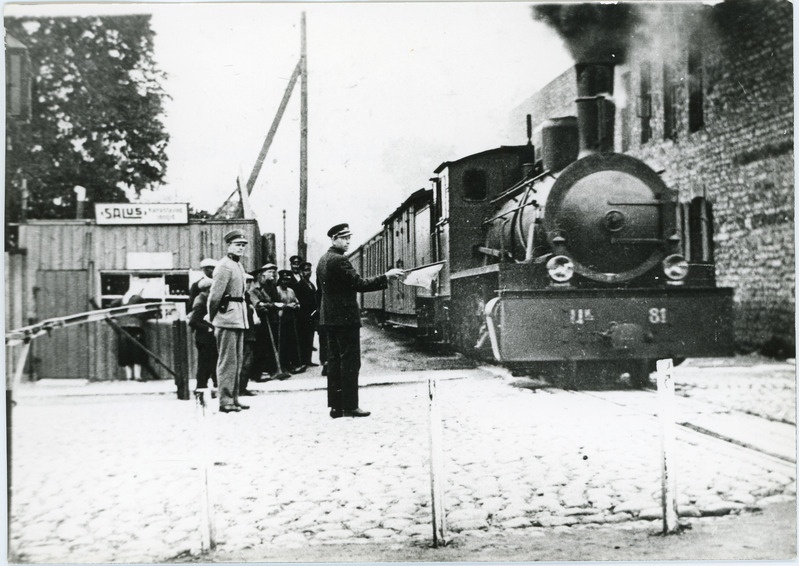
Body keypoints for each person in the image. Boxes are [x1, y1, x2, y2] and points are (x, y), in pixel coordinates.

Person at [316, 223, 404, 418]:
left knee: (334, 362)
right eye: (343, 237)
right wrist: (385, 277)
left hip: (329, 319)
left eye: (349, 237)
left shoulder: (323, 260)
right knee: (349, 362)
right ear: (333, 239)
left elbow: (320, 292)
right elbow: (359, 284)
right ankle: (350, 406)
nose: (347, 241)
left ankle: (336, 407)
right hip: (345, 319)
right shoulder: (340, 260)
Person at [207, 230, 251, 413]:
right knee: (227, 362)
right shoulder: (224, 266)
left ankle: (234, 398)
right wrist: (213, 318)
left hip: (238, 317)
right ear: (229, 246)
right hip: (227, 318)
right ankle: (225, 400)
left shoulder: (237, 266)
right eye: (237, 245)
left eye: (243, 245)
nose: (240, 248)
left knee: (237, 361)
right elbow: (215, 296)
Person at [249, 262, 280, 379]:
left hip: (264, 321)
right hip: (258, 322)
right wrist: (269, 305)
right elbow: (259, 305)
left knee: (264, 347)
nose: (263, 279)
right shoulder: (253, 290)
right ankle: (256, 374)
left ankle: (263, 371)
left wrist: (268, 305)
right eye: (262, 277)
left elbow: (268, 301)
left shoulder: (261, 289)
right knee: (258, 348)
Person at [188, 277, 218, 395]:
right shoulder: (201, 301)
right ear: (208, 289)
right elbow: (193, 321)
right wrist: (208, 328)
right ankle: (200, 387)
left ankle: (203, 387)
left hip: (206, 338)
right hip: (204, 338)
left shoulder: (203, 299)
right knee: (205, 364)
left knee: (209, 363)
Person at [113, 286, 149, 381]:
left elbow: (112, 305)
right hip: (136, 327)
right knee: (138, 352)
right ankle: (138, 376)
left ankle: (129, 376)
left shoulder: (122, 300)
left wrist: (119, 316)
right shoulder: (137, 298)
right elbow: (148, 309)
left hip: (123, 328)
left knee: (125, 353)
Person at [276, 269, 304, 374]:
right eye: (283, 279)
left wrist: (296, 306)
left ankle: (291, 365)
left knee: (291, 342)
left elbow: (297, 302)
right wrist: (287, 306)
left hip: (291, 319)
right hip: (280, 320)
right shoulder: (277, 290)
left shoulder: (291, 291)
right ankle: (282, 366)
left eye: (287, 280)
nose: (285, 282)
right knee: (282, 343)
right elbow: (276, 304)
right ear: (280, 280)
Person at [295, 261, 319, 367]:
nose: (308, 272)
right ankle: (302, 361)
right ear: (300, 272)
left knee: (310, 337)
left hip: (311, 315)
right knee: (303, 338)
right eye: (306, 270)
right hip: (303, 316)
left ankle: (308, 360)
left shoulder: (311, 285)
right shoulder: (299, 285)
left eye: (309, 270)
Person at [239, 273, 259, 397]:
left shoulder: (246, 296)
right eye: (246, 281)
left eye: (249, 282)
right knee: (243, 363)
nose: (247, 285)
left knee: (248, 362)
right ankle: (239, 388)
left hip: (250, 332)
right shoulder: (238, 296)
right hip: (242, 333)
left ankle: (243, 387)